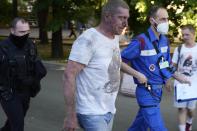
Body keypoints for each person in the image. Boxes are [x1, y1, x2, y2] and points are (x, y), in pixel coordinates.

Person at [62, 0, 147, 131]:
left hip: (108, 110)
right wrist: (70, 116)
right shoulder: (88, 39)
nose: (125, 23)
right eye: (121, 18)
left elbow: (115, 62)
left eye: (127, 18)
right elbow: (69, 75)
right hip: (90, 112)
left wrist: (136, 74)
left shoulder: (114, 38)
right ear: (107, 16)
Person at [121, 5, 191, 131]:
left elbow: (164, 64)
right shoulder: (140, 41)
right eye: (162, 19)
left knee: (139, 127)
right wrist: (137, 74)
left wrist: (176, 77)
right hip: (145, 92)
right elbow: (119, 62)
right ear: (152, 20)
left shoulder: (164, 40)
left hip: (157, 92)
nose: (166, 22)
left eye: (167, 19)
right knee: (158, 128)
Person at [0, 17, 46, 131]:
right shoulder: (3, 48)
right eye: (21, 32)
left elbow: (37, 66)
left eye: (27, 31)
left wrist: (36, 77)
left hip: (26, 92)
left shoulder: (30, 45)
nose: (25, 35)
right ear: (12, 30)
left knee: (12, 124)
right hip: (8, 93)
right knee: (18, 125)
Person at [172, 24, 197, 131]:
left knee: (190, 109)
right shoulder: (179, 49)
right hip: (180, 84)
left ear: (193, 34)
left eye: (187, 34)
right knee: (181, 108)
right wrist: (169, 79)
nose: (184, 37)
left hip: (194, 84)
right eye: (183, 35)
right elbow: (172, 66)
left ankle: (189, 122)